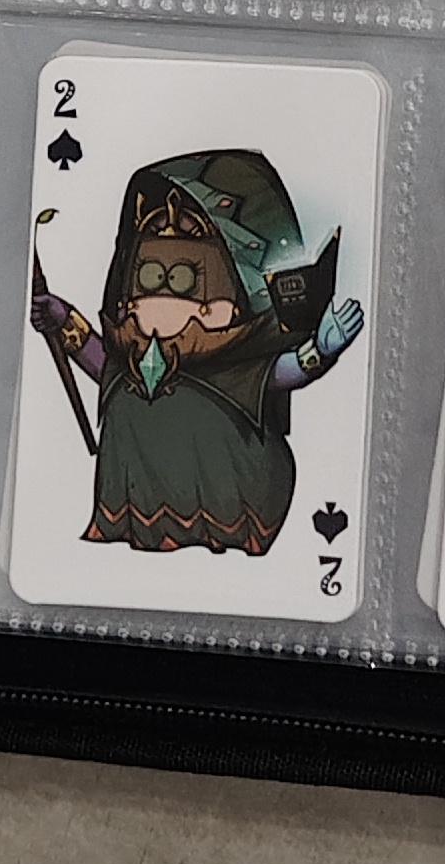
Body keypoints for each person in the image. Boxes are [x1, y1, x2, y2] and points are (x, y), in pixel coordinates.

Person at [32, 148, 365, 558]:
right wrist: (65, 319)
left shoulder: (228, 368)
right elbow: (104, 368)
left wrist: (320, 351)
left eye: (184, 282)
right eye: (148, 278)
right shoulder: (137, 360)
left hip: (227, 515)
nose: (159, 300)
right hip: (140, 520)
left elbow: (283, 372)